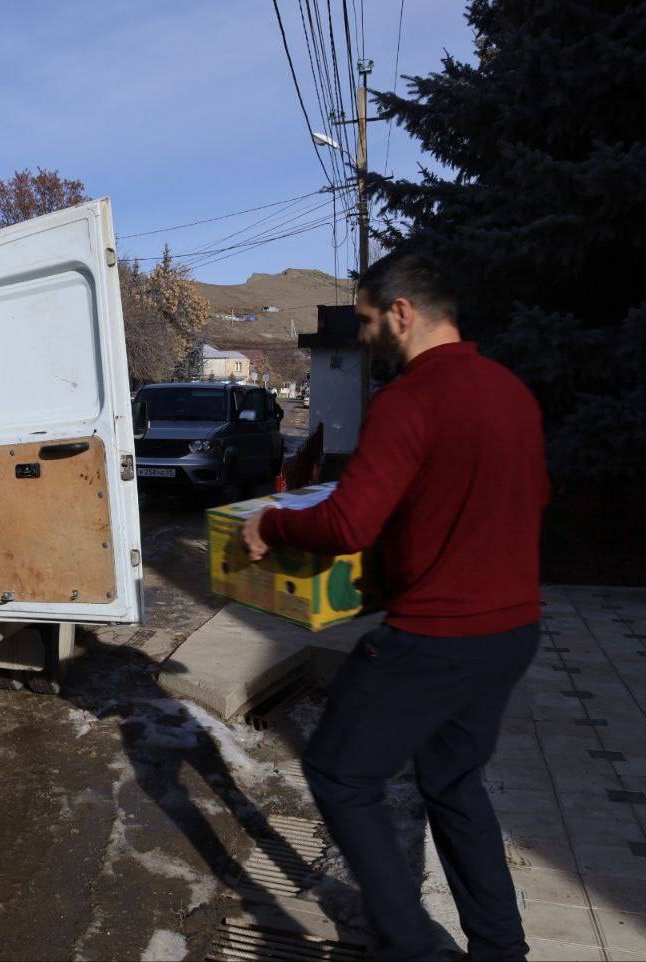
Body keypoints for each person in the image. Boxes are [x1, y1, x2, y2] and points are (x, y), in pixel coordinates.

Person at [242, 250, 549, 962]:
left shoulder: (410, 400)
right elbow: (526, 502)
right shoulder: (511, 392)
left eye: (370, 320)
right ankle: (501, 950)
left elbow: (348, 524)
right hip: (512, 632)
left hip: (435, 639)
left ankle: (409, 946)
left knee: (339, 772)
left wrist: (274, 522)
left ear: (403, 315)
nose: (366, 335)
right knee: (452, 780)